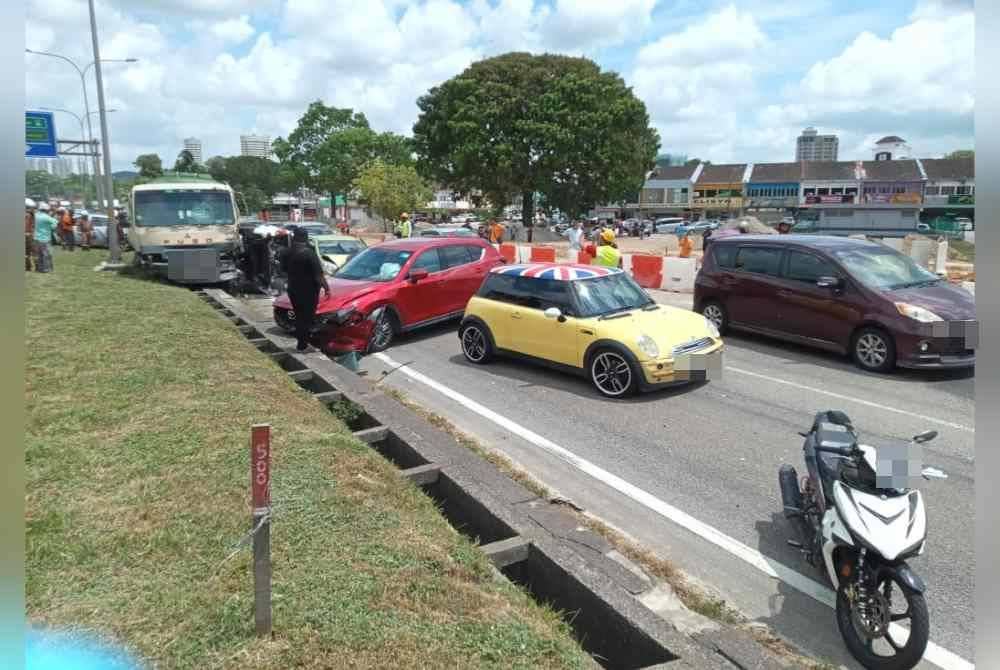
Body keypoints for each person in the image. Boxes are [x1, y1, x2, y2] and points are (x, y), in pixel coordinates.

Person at [279, 228, 330, 351]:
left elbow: (283, 270)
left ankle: (302, 342)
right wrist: (327, 288)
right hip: (309, 290)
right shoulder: (309, 254)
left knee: (299, 315)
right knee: (307, 317)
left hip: (293, 288)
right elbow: (319, 275)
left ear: (294, 237)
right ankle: (303, 344)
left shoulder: (285, 252)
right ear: (305, 238)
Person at [33, 202, 57, 273]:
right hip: (45, 238)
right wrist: (50, 227)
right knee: (47, 254)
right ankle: (47, 269)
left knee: (39, 254)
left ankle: (40, 268)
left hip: (36, 237)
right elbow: (55, 222)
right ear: (45, 210)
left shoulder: (36, 215)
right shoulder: (46, 217)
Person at [25, 199, 36, 271]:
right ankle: (29, 266)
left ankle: (28, 266)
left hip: (27, 234)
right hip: (30, 234)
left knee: (26, 252)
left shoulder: (30, 215)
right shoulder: (32, 215)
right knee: (30, 252)